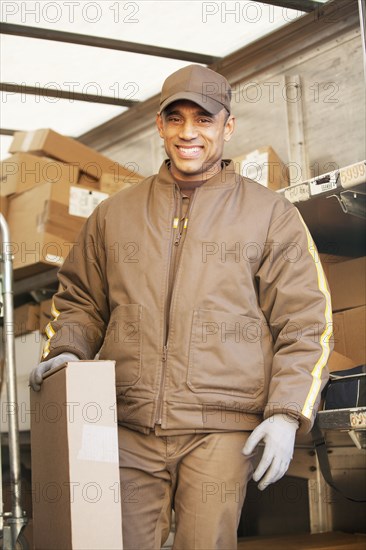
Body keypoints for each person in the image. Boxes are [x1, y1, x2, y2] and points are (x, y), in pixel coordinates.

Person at [29, 64, 332, 549]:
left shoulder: (271, 215)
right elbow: (81, 301)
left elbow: (305, 322)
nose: (188, 132)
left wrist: (285, 413)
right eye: (176, 119)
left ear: (227, 127)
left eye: (204, 119)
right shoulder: (114, 215)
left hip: (222, 428)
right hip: (128, 423)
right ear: (160, 125)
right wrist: (67, 351)